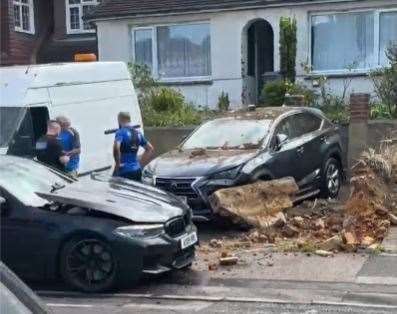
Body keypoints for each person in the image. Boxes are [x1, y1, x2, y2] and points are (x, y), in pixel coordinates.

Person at [113, 112, 154, 181]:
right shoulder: (138, 133)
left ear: (120, 120)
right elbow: (150, 148)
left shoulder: (120, 132)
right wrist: (140, 165)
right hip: (136, 170)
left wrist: (118, 164)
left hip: (124, 171)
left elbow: (116, 147)